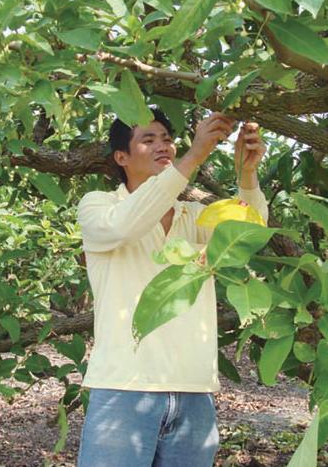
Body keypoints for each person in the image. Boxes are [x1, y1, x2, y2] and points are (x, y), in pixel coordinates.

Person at [76, 109, 268, 467]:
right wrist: (194, 156)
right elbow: (124, 227)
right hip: (123, 388)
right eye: (148, 140)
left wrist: (247, 174)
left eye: (166, 138)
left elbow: (248, 236)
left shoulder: (195, 216)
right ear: (122, 157)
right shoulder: (98, 207)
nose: (162, 146)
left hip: (194, 391)